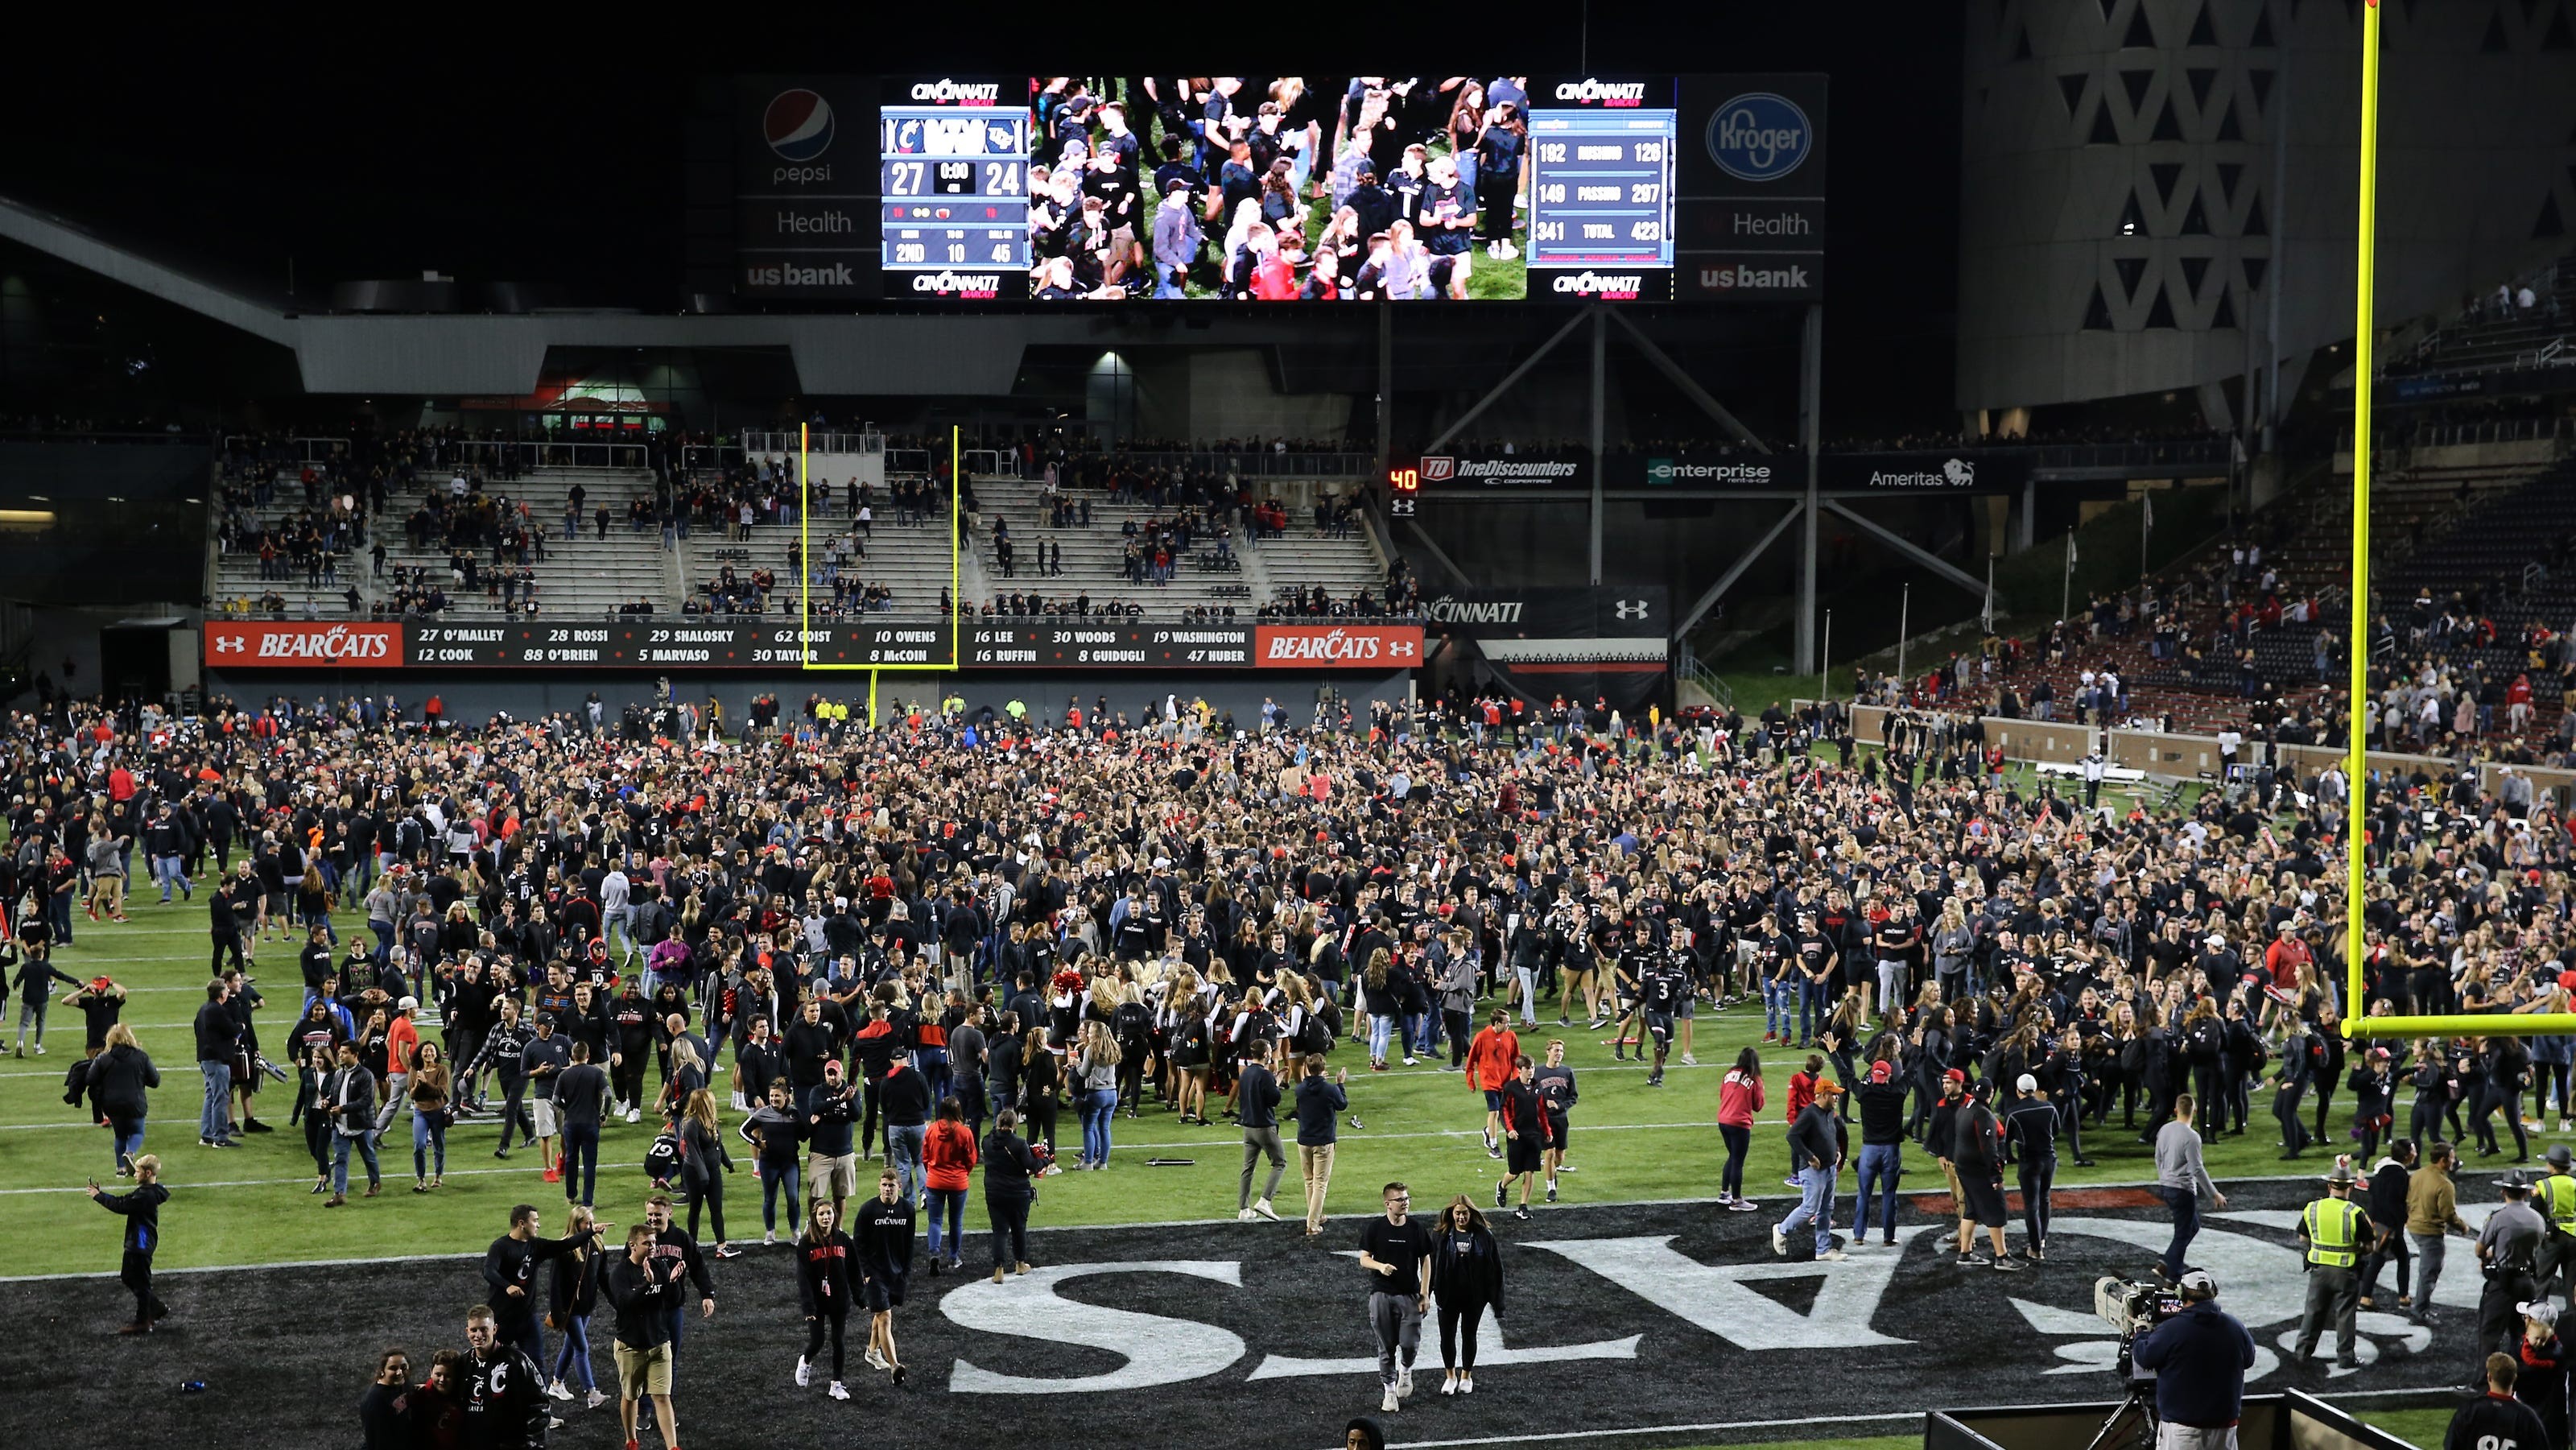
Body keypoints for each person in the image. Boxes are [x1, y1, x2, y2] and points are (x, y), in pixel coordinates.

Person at [2131, 1268, 2256, 1450]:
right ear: (2214, 1292)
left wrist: (2140, 1333)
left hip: (2184, 1430)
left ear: (2181, 1294)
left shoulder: (2172, 1329)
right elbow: (2249, 1360)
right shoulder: (2236, 1327)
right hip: (2225, 1429)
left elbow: (2145, 1357)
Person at [483, 1202, 595, 1368]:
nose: (539, 1225)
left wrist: (591, 1231)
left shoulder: (536, 1246)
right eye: (535, 1221)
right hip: (502, 1319)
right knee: (493, 1363)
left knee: (537, 1365)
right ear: (522, 1223)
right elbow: (489, 1271)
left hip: (527, 1318)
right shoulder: (500, 1247)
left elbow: (565, 1245)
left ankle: (539, 1394)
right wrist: (507, 1286)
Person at [601, 1224, 681, 1450]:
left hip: (659, 1343)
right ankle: (631, 1439)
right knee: (631, 1395)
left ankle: (673, 1447)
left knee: (662, 1396)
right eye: (647, 1243)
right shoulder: (620, 1274)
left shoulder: (660, 1266)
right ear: (633, 1245)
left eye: (654, 1242)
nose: (653, 1247)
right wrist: (647, 1283)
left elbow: (672, 1301)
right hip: (631, 1345)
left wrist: (673, 1282)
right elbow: (624, 1304)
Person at [1359, 1181, 1433, 1415]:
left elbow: (1426, 1261)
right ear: (1388, 1203)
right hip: (1381, 1294)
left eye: (1407, 1198)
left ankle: (1406, 1371)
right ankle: (1389, 1391)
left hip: (1409, 1295)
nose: (1406, 1202)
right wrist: (1380, 1267)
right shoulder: (1375, 1228)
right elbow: (1364, 1259)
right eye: (1401, 1199)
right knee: (1386, 1346)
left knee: (1410, 1344)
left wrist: (1425, 1293)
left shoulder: (1416, 1228)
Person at [2292, 1163, 2368, 1369]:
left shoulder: (2313, 1208)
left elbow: (2302, 1237)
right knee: (2345, 1316)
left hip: (2319, 1271)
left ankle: (2302, 1354)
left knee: (2313, 1312)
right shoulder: (2355, 1213)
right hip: (2346, 1272)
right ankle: (2345, 1358)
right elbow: (2370, 1245)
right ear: (2349, 1187)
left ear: (2329, 1186)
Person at [1429, 1194, 1503, 1396]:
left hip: (1474, 1297)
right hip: (1447, 1295)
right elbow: (1431, 1266)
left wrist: (1497, 1300)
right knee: (1447, 1337)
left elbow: (1496, 1268)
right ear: (1451, 1214)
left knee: (1469, 1336)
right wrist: (1425, 1293)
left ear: (1471, 1213)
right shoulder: (1440, 1235)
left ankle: (1466, 1376)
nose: (1461, 1217)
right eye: (1458, 1213)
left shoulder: (1484, 1236)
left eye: (1465, 1213)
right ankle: (1450, 1376)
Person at [86, 1153, 167, 1332]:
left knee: (140, 1280)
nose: (134, 1175)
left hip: (140, 1242)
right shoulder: (151, 1191)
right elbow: (125, 1201)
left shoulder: (145, 1195)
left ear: (147, 1173)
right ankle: (154, 1308)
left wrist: (98, 1196)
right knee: (130, 1277)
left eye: (137, 1172)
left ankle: (143, 1321)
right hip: (141, 1240)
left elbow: (122, 1205)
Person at [852, 1167, 914, 1386]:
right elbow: (858, 1243)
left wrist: (905, 1271)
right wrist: (866, 1273)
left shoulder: (907, 1209)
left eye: (892, 1185)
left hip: (896, 1272)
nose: (888, 1189)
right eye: (884, 1185)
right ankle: (895, 1365)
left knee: (880, 1315)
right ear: (879, 1186)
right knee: (885, 1317)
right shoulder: (868, 1210)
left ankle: (871, 1352)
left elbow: (909, 1243)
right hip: (875, 1274)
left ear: (900, 1186)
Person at [2480, 1172, 2548, 1372]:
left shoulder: (2499, 1217)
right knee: (2521, 1331)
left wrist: (2491, 1256)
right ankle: (2521, 1377)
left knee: (2490, 1332)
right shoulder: (2537, 1218)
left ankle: (2484, 1381)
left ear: (2503, 1191)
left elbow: (2480, 1250)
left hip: (2503, 1282)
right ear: (2525, 1194)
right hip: (2527, 1280)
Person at [543, 1204, 609, 1411]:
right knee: (582, 1348)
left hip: (585, 1307)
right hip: (569, 1310)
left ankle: (556, 1384)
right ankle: (591, 1393)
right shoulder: (565, 1248)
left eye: (592, 1221)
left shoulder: (596, 1245)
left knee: (571, 1346)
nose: (591, 1225)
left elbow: (603, 1277)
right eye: (586, 1223)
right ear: (576, 1224)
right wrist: (557, 1312)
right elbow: (554, 1284)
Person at [2157, 1092, 2227, 1281]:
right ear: (2194, 1111)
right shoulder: (2192, 1137)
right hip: (2182, 1190)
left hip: (2166, 1186)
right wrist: (2214, 1194)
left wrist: (2164, 1179)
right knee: (2183, 1232)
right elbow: (2197, 1169)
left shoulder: (2164, 1130)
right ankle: (2173, 1275)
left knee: (2192, 1226)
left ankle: (2166, 1263)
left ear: (2175, 1110)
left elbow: (2158, 1158)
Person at [462, 1303, 551, 1450]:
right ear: (467, 1332)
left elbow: (540, 1405)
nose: (478, 1335)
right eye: (473, 1330)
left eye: (484, 1329)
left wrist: (532, 1443)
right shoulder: (463, 1362)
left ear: (494, 1329)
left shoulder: (517, 1362)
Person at [1776, 1077, 1846, 1261]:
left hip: (1829, 1168)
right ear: (1824, 1095)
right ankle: (1781, 1229)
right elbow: (1792, 1136)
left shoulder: (1828, 1112)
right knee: (1809, 1209)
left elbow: (1830, 1134)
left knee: (1826, 1209)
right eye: (1834, 1095)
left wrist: (1836, 1151)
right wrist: (1809, 1157)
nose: (1837, 1098)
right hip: (1812, 1170)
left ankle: (1823, 1249)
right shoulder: (1809, 1114)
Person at [794, 1198, 857, 1402]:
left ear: (834, 1216)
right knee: (817, 1341)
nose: (825, 1217)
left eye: (829, 1213)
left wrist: (860, 1296)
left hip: (839, 1298)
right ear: (815, 1217)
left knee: (838, 1340)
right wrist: (808, 1306)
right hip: (817, 1302)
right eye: (821, 1214)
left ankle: (836, 1384)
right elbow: (803, 1278)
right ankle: (805, 1361)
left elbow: (854, 1269)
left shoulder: (844, 1240)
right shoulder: (805, 1244)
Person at [2409, 1139, 2471, 1329]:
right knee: (2428, 1273)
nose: (2454, 1161)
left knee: (2426, 1271)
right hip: (2430, 1232)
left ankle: (2421, 1307)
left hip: (2413, 1226)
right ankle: (2419, 1312)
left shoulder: (2417, 1174)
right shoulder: (2445, 1185)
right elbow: (2448, 1215)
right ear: (2443, 1160)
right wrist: (2463, 1227)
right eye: (2452, 1158)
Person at [88, 1022, 158, 1177]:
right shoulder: (141, 1056)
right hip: (135, 1102)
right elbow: (155, 1080)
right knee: (137, 1132)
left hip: (111, 1104)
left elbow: (90, 1079)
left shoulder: (103, 1058)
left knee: (120, 1135)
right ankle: (130, 1153)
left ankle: (121, 1168)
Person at [741, 1079, 806, 1246]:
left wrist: (807, 1121)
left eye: (777, 1096)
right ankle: (770, 1232)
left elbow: (804, 1137)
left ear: (786, 1097)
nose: (773, 1099)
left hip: (790, 1163)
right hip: (769, 1163)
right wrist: (758, 1143)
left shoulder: (794, 1114)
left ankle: (795, 1231)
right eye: (771, 1096)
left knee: (793, 1197)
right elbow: (743, 1130)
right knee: (770, 1199)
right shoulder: (763, 1113)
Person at [2002, 1072, 2058, 1262]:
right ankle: (2041, 1241)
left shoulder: (2014, 1112)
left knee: (2031, 1205)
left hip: (2029, 1162)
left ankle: (2035, 1249)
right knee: (2045, 1199)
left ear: (2019, 1091)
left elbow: (2006, 1139)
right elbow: (2055, 1131)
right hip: (2049, 1159)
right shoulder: (2049, 1107)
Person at [676, 1088, 738, 1259]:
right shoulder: (691, 1125)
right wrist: (703, 1176)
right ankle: (692, 1246)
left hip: (712, 1170)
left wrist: (727, 1163)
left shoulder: (711, 1122)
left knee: (716, 1208)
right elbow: (695, 1153)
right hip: (695, 1173)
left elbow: (718, 1145)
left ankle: (722, 1246)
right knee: (695, 1209)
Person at [2358, 1138, 2417, 1315]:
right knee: (2378, 1259)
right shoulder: (2399, 1175)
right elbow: (2395, 1201)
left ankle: (2403, 1297)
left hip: (2378, 1220)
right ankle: (2365, 1297)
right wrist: (2399, 1221)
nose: (2416, 1153)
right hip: (2389, 1223)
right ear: (2406, 1156)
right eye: (2413, 1151)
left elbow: (2373, 1191)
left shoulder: (2383, 1171)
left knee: (2402, 1258)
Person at [981, 1107, 1040, 1283]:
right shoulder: (1019, 1144)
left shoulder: (987, 1142)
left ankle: (998, 1270)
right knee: (1018, 1228)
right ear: (1014, 1125)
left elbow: (992, 1137)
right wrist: (1045, 1160)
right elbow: (1032, 1165)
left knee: (999, 1231)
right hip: (1017, 1192)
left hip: (994, 1192)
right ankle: (1020, 1264)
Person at [2446, 1353, 2550, 1450]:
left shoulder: (2469, 1410)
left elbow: (2451, 1446)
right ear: (2514, 1378)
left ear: (2489, 1377)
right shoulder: (2527, 1417)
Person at [922, 1094, 979, 1270]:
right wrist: (962, 1173)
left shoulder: (931, 1130)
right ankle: (953, 1258)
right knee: (956, 1221)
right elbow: (972, 1158)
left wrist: (932, 1171)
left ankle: (934, 1253)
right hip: (957, 1182)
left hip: (935, 1181)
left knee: (935, 1221)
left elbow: (925, 1156)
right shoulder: (965, 1132)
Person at [1492, 1055, 1552, 1221]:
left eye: (1532, 1068)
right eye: (1527, 1068)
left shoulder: (1538, 1087)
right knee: (1515, 1172)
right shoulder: (1511, 1088)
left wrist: (1547, 1131)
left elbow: (1542, 1111)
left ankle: (1523, 1206)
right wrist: (1510, 1129)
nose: (1531, 1071)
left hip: (1534, 1135)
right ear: (1519, 1070)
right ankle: (1502, 1186)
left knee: (1530, 1171)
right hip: (1517, 1136)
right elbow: (1504, 1111)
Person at [322, 1039, 382, 1206]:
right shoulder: (339, 1073)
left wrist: (343, 1109)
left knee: (368, 1156)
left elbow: (366, 1100)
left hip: (360, 1124)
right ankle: (339, 1193)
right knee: (341, 1158)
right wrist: (327, 1101)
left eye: (345, 1053)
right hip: (340, 1124)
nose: (340, 1055)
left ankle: (375, 1182)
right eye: (340, 1052)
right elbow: (334, 1093)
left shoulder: (366, 1075)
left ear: (355, 1055)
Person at [1294, 1055, 1348, 1237]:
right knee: (1320, 1184)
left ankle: (1315, 1214)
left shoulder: (1300, 1089)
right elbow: (1342, 1105)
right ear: (1323, 1067)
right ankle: (1313, 1223)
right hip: (1323, 1141)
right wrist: (1340, 1084)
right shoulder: (1329, 1089)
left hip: (1304, 1140)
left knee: (1310, 1181)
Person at [805, 1060, 861, 1228]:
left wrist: (848, 1100)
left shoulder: (852, 1092)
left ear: (841, 1074)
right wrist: (840, 1100)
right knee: (815, 1195)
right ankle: (813, 1224)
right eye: (829, 1073)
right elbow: (815, 1107)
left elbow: (856, 1115)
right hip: (821, 1152)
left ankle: (838, 1228)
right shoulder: (818, 1091)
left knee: (840, 1195)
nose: (831, 1077)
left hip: (844, 1152)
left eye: (834, 1073)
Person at [554, 1042, 609, 1208]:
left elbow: (555, 1100)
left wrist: (568, 1108)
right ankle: (588, 1201)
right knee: (590, 1163)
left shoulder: (564, 1075)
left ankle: (571, 1195)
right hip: (590, 1123)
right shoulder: (597, 1073)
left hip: (571, 1123)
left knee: (571, 1158)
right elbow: (609, 1094)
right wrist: (603, 1114)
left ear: (572, 1056)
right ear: (588, 1055)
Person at [1236, 1046, 1286, 1222]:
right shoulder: (1264, 1074)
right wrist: (1277, 1081)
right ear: (1265, 1054)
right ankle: (1265, 1200)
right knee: (1279, 1162)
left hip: (1248, 1127)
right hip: (1264, 1127)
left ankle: (1244, 1209)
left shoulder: (1245, 1073)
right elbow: (1275, 1099)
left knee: (1247, 1168)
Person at [2513, 1300, 2571, 1448]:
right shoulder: (2556, 1347)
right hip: (2553, 1424)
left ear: (2534, 1323)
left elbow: (2517, 1381)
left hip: (2539, 1424)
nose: (2524, 1320)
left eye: (2527, 1318)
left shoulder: (2542, 1357)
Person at [1463, 1009, 1517, 1157]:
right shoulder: (1482, 1037)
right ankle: (1494, 1146)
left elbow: (1515, 1058)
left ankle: (1488, 1131)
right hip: (1489, 1082)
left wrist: (1516, 1077)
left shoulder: (1511, 1036)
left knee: (1503, 1112)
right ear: (1497, 1023)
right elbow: (1471, 1059)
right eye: (1506, 1023)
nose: (1509, 1025)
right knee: (1494, 1112)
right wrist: (1471, 1081)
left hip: (1505, 1081)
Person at [1716, 1047, 1764, 1211]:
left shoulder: (1729, 1074)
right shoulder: (1755, 1079)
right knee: (1738, 1160)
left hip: (1723, 1120)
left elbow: (1722, 1094)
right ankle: (1736, 1200)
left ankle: (1724, 1193)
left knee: (1733, 1156)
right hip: (1739, 1123)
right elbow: (1758, 1105)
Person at [1532, 1039, 1579, 1203]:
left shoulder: (1567, 1072)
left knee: (1559, 1157)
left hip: (1561, 1119)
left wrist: (1559, 1105)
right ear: (1548, 1052)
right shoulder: (1537, 1073)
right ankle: (1551, 1188)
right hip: (1543, 1120)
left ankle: (1552, 1170)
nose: (1559, 1054)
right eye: (1556, 1050)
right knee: (1550, 1153)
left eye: (1561, 1051)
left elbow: (1573, 1097)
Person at [193, 977, 238, 1147]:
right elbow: (231, 1029)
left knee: (211, 1096)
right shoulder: (217, 1010)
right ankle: (220, 1137)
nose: (228, 992)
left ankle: (206, 1135)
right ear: (221, 994)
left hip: (205, 1058)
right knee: (220, 1097)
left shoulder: (203, 1008)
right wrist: (240, 1028)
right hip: (217, 1059)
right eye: (226, 990)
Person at [359, 1349, 415, 1450]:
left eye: (403, 1367)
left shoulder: (403, 1384)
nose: (399, 1373)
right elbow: (378, 1442)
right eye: (393, 1368)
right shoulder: (375, 1402)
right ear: (382, 1371)